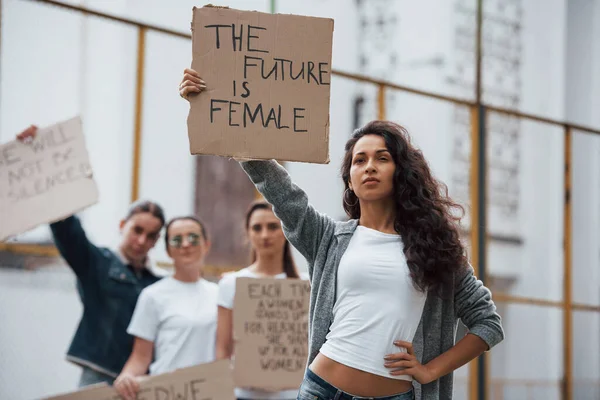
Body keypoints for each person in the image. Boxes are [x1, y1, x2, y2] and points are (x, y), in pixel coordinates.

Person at [180, 69, 504, 400]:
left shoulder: (436, 250)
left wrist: (430, 370)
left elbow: (488, 324)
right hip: (322, 388)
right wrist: (212, 104)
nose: (369, 167)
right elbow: (280, 190)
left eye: (383, 158)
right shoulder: (328, 238)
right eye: (359, 161)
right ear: (349, 179)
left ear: (402, 172)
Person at [16, 126, 168, 387]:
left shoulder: (159, 284)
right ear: (123, 226)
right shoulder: (96, 263)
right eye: (137, 230)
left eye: (152, 235)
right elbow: (65, 227)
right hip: (97, 378)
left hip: (142, 382)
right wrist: (38, 153)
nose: (142, 241)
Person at [114, 216, 218, 400]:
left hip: (210, 393)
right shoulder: (152, 295)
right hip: (168, 394)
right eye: (176, 240)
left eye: (193, 238)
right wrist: (127, 377)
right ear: (168, 250)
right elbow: (140, 357)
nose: (185, 244)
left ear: (206, 244)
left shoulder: (221, 295)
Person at [217, 201, 301, 400]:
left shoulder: (307, 284)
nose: (265, 235)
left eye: (273, 227)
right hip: (244, 394)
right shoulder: (231, 283)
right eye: (257, 228)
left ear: (286, 230)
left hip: (293, 395)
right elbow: (223, 349)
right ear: (248, 233)